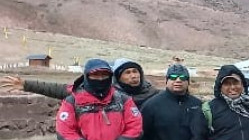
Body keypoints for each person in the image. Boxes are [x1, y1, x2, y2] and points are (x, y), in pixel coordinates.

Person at [136, 63, 202, 140]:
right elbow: (141, 137)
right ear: (167, 80)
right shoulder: (152, 105)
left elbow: (202, 136)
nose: (178, 80)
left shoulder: (198, 105)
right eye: (173, 77)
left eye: (182, 78)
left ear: (188, 82)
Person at [0, 57, 157, 106]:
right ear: (118, 77)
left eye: (136, 71)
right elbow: (61, 89)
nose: (133, 76)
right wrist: (27, 85)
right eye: (128, 72)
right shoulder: (104, 91)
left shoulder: (153, 94)